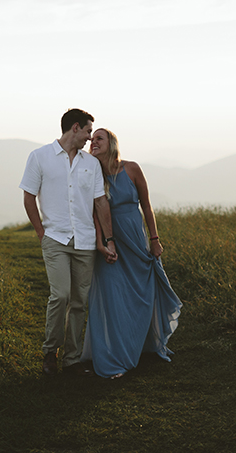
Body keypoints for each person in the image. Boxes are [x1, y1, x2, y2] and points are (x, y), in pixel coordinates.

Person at [19, 109, 115, 376]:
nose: (89, 138)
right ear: (75, 128)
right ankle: (50, 352)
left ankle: (71, 359)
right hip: (55, 238)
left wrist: (109, 239)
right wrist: (41, 232)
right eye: (87, 131)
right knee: (60, 295)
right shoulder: (39, 157)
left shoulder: (91, 163)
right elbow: (28, 197)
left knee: (79, 301)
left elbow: (100, 202)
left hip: (85, 241)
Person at [81, 128, 182, 379]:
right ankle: (115, 356)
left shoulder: (132, 169)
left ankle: (143, 343)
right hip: (110, 243)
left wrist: (155, 239)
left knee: (141, 294)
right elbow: (93, 213)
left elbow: (147, 206)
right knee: (112, 296)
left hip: (135, 241)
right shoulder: (92, 174)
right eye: (91, 140)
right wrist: (101, 243)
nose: (93, 142)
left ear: (112, 143)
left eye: (99, 139)